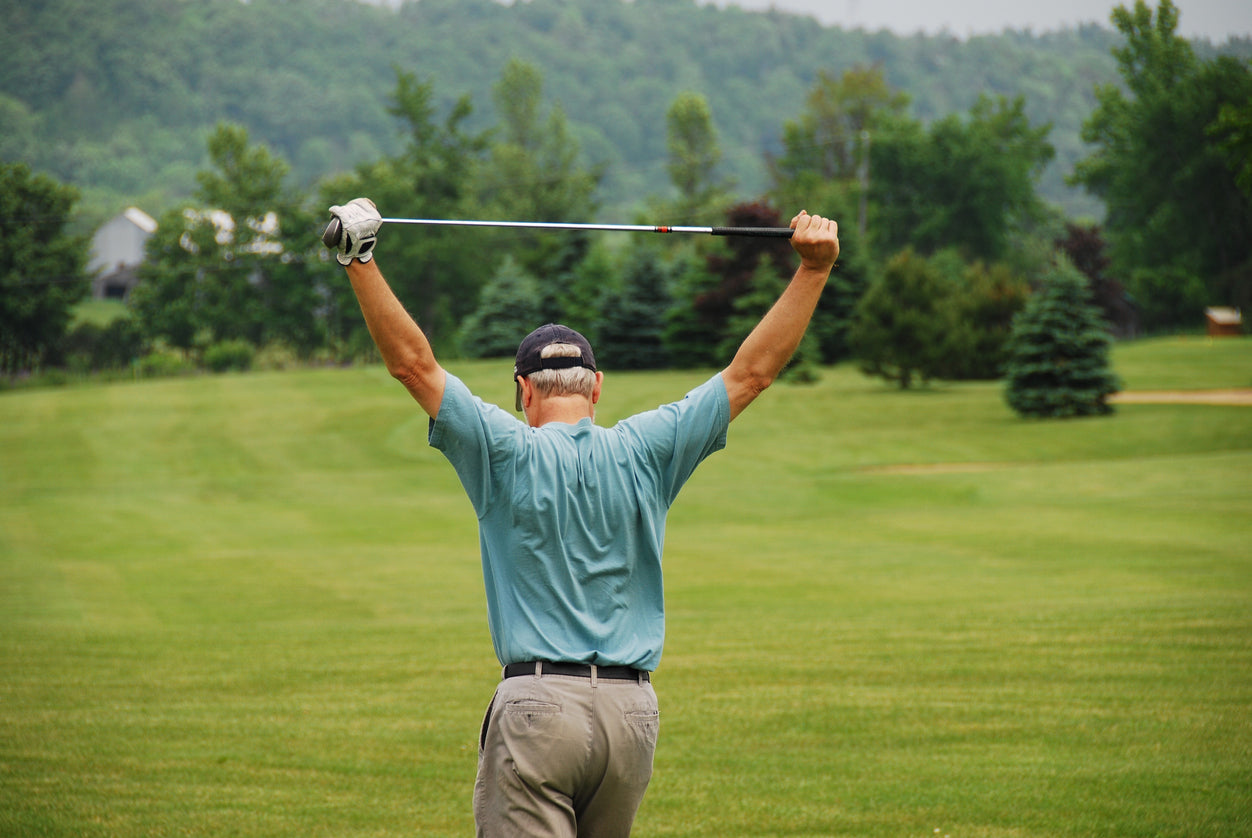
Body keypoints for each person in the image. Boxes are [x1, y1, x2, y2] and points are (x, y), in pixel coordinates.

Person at [326, 197, 839, 837]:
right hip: (632, 716)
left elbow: (413, 365)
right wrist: (813, 271)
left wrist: (359, 258)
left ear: (523, 392)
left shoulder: (503, 447)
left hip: (539, 707)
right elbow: (752, 374)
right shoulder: (649, 447)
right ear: (596, 389)